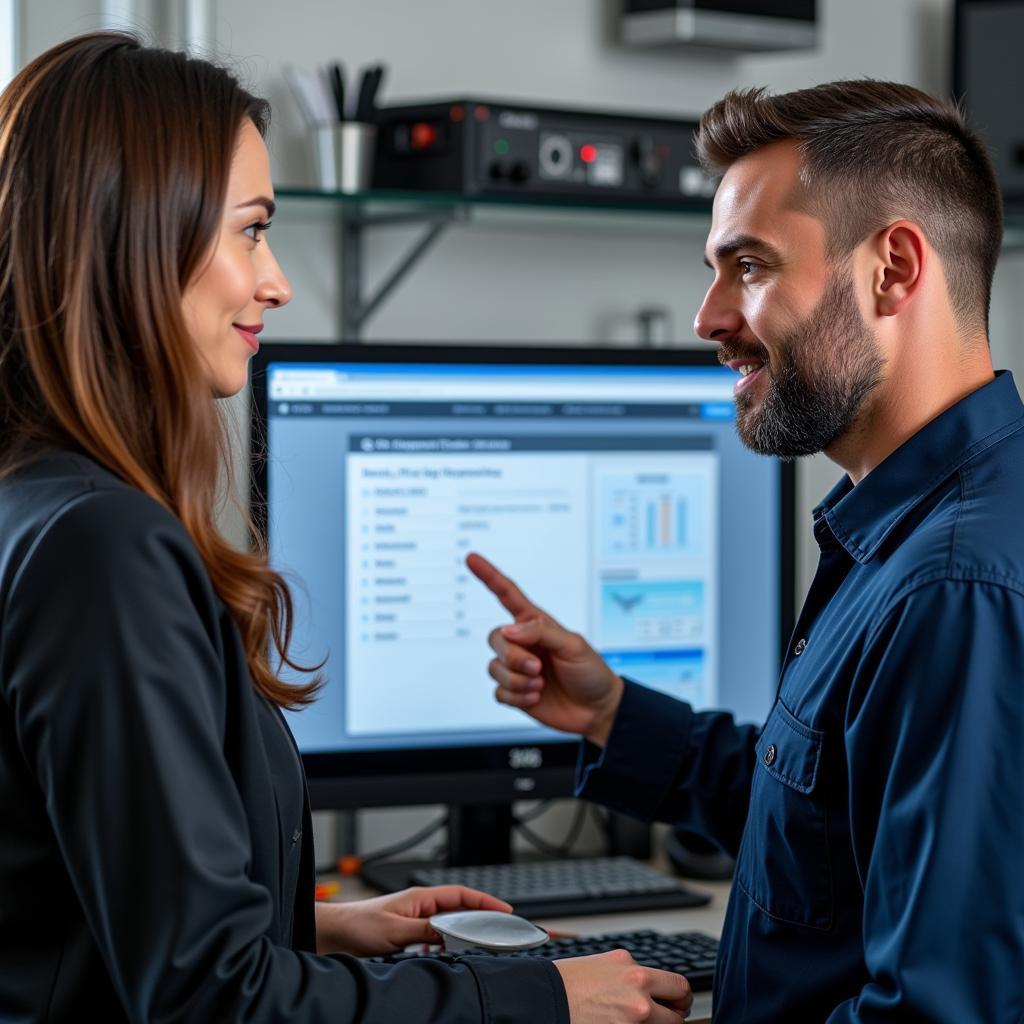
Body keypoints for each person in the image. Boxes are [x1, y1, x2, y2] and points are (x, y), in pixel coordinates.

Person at [0, 32, 694, 1024]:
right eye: (249, 231)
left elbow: (78, 912)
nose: (274, 281)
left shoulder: (37, 500)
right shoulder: (102, 548)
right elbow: (211, 1001)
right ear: (138, 236)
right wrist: (541, 995)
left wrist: (316, 923)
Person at [470, 79, 1024, 1022]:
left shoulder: (955, 586)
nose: (708, 317)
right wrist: (615, 716)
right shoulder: (900, 530)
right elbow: (829, 835)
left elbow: (939, 1012)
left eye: (750, 267)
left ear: (893, 267)